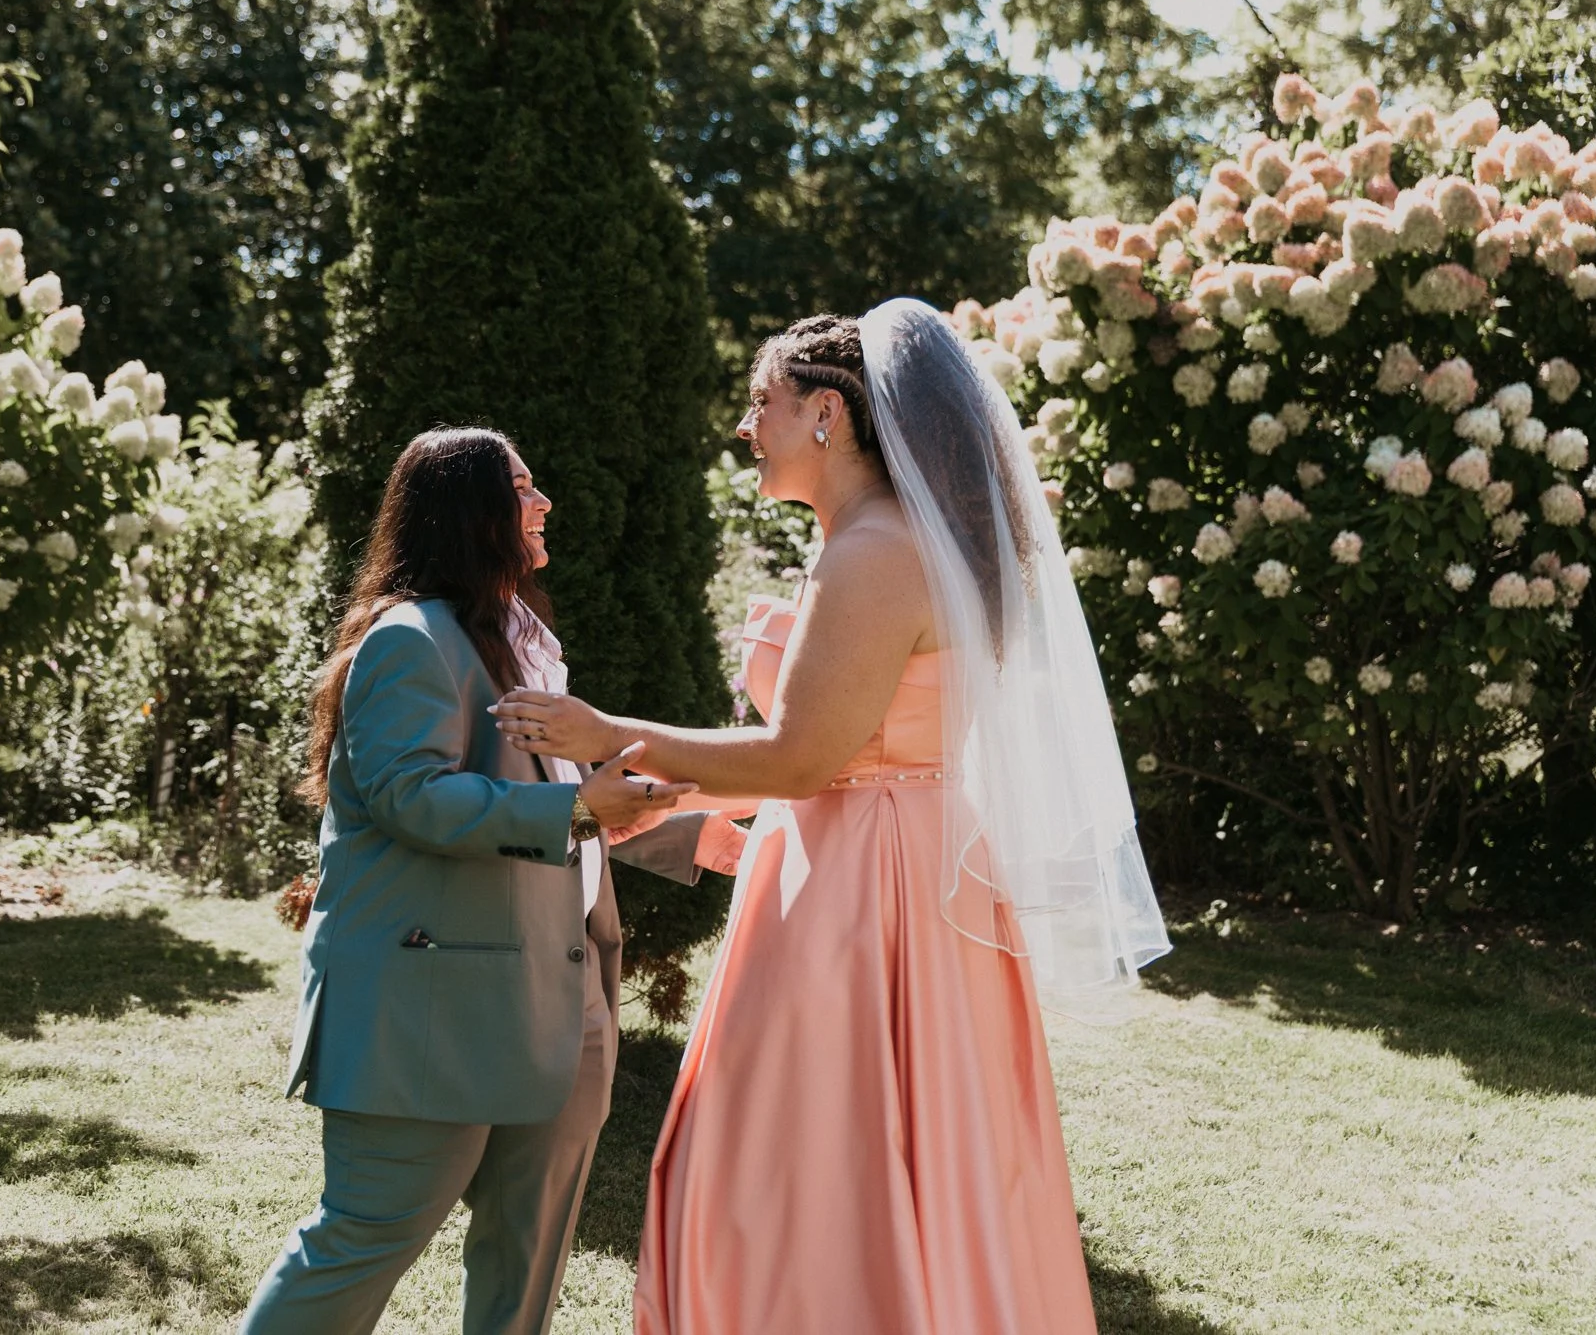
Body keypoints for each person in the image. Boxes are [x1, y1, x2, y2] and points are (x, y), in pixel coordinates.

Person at [492, 302, 1172, 1334]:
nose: (743, 427)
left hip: (869, 897)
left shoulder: (876, 552)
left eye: (758, 402)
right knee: (852, 1153)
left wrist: (601, 730)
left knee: (797, 1156)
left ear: (826, 416)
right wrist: (664, 802)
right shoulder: (877, 541)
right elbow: (842, 756)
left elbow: (804, 760)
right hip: (873, 855)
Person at [241, 425, 736, 1335]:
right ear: (469, 511)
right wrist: (585, 808)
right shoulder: (411, 640)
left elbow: (545, 796)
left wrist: (691, 835)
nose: (542, 502)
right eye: (521, 486)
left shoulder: (514, 641)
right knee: (362, 1238)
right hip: (428, 1006)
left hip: (563, 998)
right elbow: (411, 796)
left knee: (529, 1255)